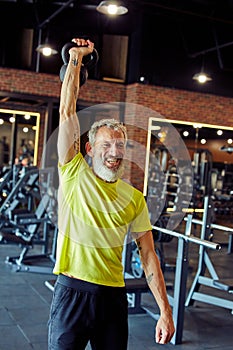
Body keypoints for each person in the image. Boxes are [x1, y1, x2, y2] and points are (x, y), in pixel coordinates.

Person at [48, 38, 175, 350]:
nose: (114, 152)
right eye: (106, 145)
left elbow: (148, 256)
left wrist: (165, 311)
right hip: (72, 291)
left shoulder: (134, 198)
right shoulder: (73, 171)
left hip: (113, 296)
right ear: (90, 150)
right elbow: (67, 113)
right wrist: (76, 59)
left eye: (120, 145)